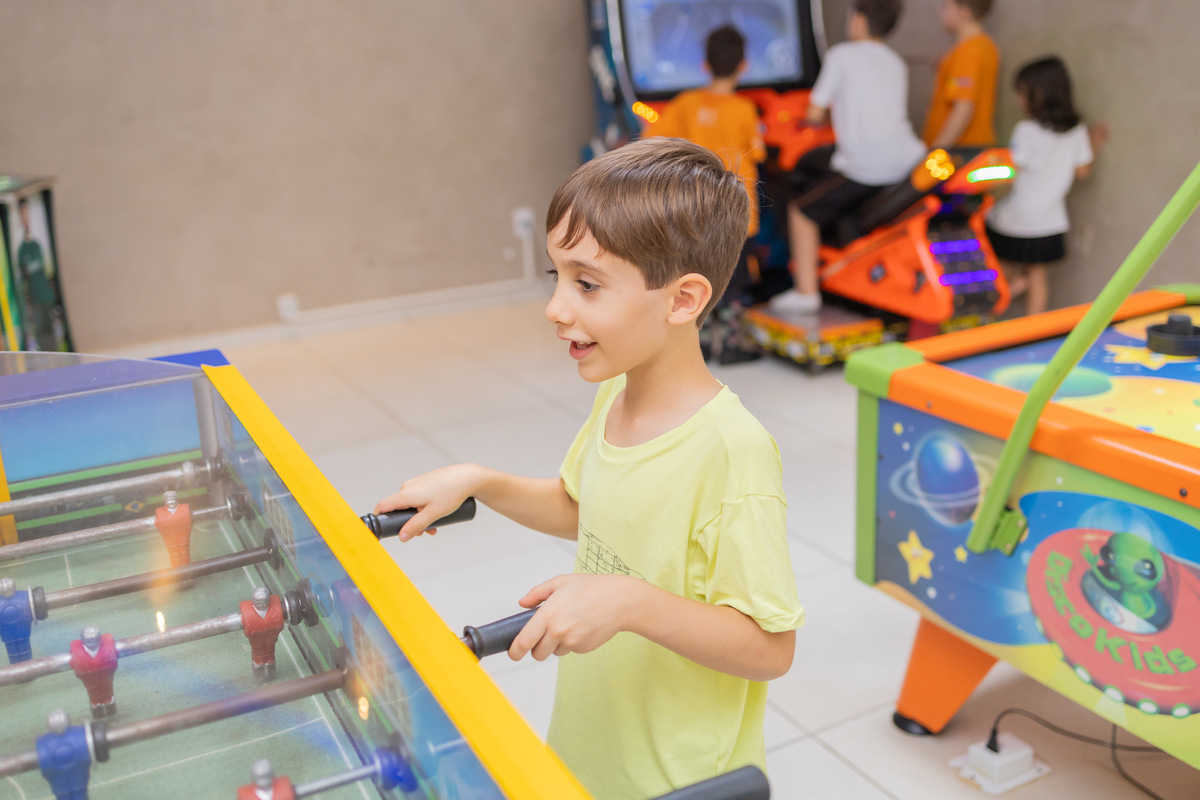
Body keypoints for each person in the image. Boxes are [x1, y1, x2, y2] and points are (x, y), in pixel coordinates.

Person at [374, 138, 803, 798]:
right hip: (593, 747)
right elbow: (585, 509)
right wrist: (482, 483)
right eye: (558, 277)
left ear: (682, 300)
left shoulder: (732, 451)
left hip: (678, 778)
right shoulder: (616, 394)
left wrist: (629, 603)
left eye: (587, 284)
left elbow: (771, 648)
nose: (556, 307)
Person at [769, 0, 927, 315]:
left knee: (801, 211)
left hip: (865, 166)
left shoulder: (841, 55)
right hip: (909, 161)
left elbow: (814, 113)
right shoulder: (896, 62)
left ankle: (806, 292)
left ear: (858, 19)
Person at [647, 24, 767, 363]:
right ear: (743, 66)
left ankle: (696, 343)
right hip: (738, 214)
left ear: (705, 64)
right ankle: (729, 343)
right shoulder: (744, 110)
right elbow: (758, 152)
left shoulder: (686, 104)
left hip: (696, 213)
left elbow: (652, 139)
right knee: (734, 281)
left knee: (696, 277)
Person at [985, 57, 1108, 316]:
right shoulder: (1076, 131)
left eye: (1022, 93)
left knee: (994, 256)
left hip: (1018, 217)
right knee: (1038, 274)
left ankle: (1012, 286)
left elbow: (1010, 170)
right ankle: (1035, 329)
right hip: (1049, 221)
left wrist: (985, 175)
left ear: (1039, 94)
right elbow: (1083, 171)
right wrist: (1093, 144)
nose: (1019, 100)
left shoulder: (1026, 130)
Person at [922, 0, 999, 149]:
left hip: (960, 152)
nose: (941, 11)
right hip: (973, 148)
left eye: (946, 5)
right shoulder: (985, 46)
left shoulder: (968, 52)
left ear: (964, 12)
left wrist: (936, 153)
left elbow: (963, 109)